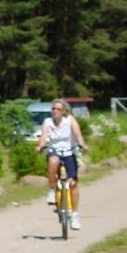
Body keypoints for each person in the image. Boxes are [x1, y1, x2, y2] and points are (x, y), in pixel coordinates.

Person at [36, 98, 89, 230]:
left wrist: (82, 144)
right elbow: (43, 137)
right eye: (53, 109)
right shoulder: (47, 122)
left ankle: (75, 215)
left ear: (64, 111)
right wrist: (40, 146)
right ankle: (52, 191)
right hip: (54, 152)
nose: (55, 111)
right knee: (53, 161)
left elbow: (78, 135)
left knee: (73, 184)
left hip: (69, 153)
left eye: (58, 109)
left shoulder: (70, 120)